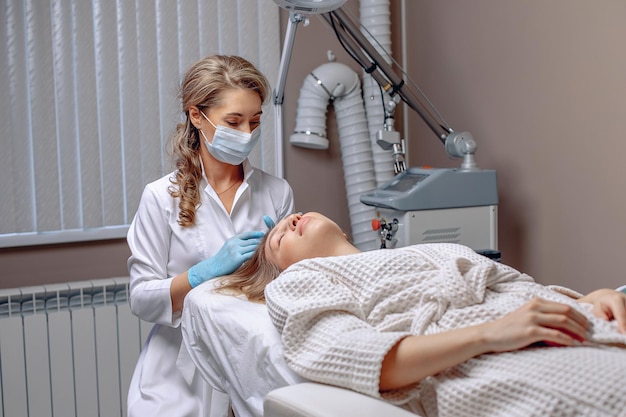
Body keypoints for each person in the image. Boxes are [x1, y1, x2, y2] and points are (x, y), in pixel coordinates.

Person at [209, 211, 626, 416]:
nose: (290, 221)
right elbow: (357, 357)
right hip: (485, 363)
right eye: (279, 238)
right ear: (282, 268)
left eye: (291, 217)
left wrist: (591, 297)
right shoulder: (300, 282)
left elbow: (523, 291)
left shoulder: (420, 251)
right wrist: (491, 334)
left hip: (576, 324)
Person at [126, 54, 294, 417]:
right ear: (196, 115)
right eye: (233, 121)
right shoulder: (161, 197)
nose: (247, 134)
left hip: (255, 362)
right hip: (179, 375)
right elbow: (141, 297)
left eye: (255, 121)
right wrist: (203, 273)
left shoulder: (276, 192)